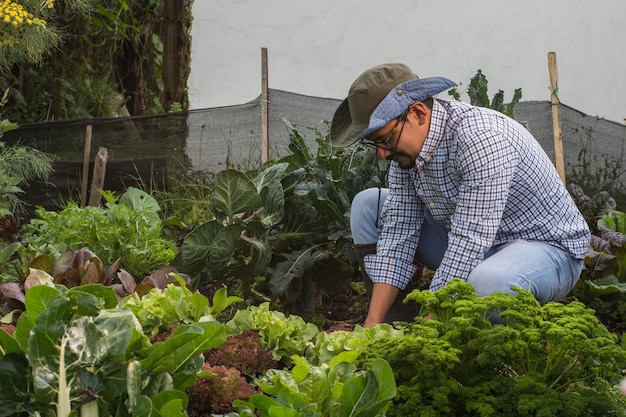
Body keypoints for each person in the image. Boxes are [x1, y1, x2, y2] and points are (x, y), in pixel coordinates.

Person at [330, 63, 591, 327]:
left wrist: (430, 322)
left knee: (489, 282)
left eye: (385, 139)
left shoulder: (480, 139)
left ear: (418, 113)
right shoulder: (405, 155)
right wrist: (371, 326)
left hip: (544, 249)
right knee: (368, 206)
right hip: (476, 244)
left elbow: (469, 240)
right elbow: (399, 231)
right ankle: (393, 324)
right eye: (375, 143)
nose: (382, 154)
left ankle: (477, 343)